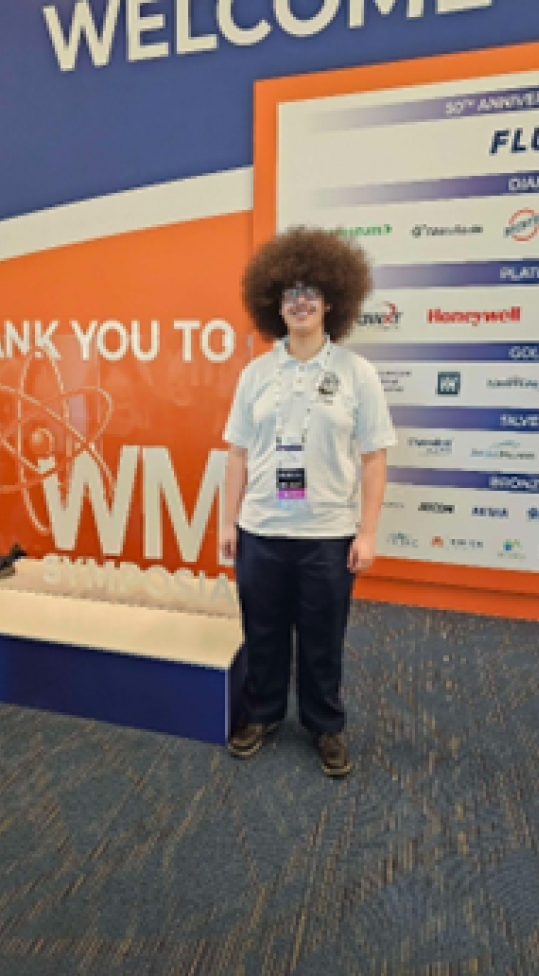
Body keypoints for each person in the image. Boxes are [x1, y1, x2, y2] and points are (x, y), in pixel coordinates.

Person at [221, 227, 397, 779]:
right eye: (290, 292)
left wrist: (366, 533)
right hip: (262, 530)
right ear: (274, 304)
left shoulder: (356, 374)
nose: (300, 301)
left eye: (311, 291)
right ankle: (262, 714)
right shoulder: (256, 374)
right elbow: (236, 456)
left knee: (323, 639)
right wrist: (229, 524)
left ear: (331, 302)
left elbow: (373, 460)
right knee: (263, 630)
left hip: (327, 534)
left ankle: (325, 725)